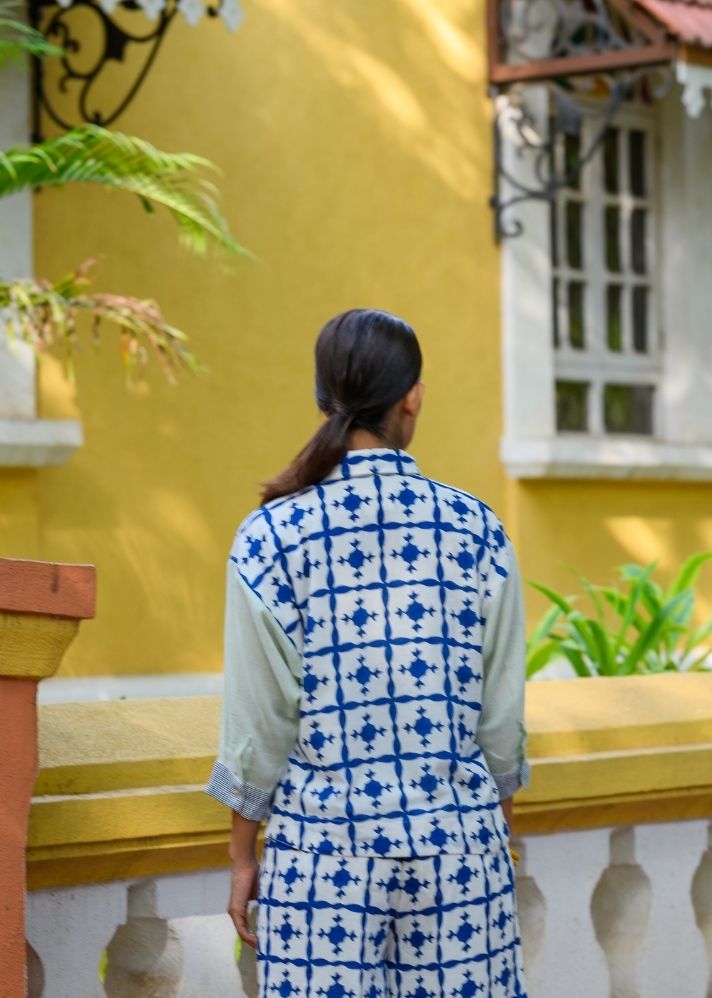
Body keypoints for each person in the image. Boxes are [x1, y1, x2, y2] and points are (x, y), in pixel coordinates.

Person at [206, 308, 529, 997]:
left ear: (325, 396)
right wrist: (493, 826)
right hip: (457, 853)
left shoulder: (271, 535)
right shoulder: (476, 528)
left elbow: (260, 721)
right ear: (412, 394)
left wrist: (241, 855)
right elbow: (499, 716)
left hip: (325, 858)